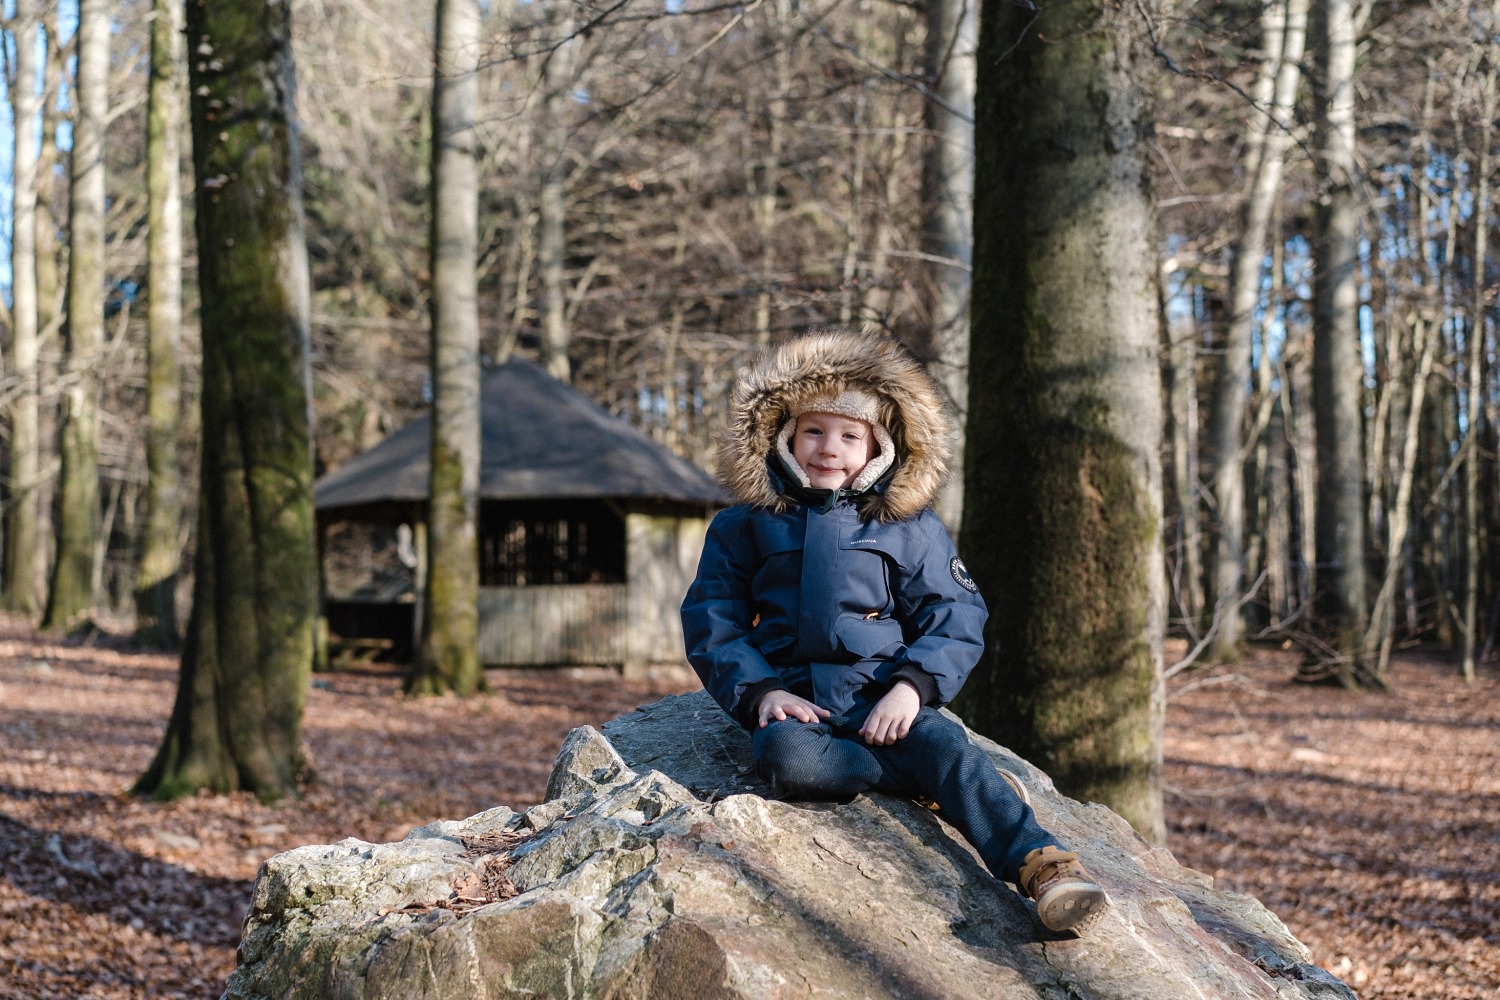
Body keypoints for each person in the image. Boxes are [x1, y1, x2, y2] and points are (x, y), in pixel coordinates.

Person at [680, 327, 1109, 935]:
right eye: (813, 431)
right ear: (781, 437)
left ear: (879, 447)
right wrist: (759, 693)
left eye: (850, 435)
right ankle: (924, 779)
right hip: (799, 703)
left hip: (884, 697)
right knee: (788, 761)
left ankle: (1044, 868)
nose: (829, 448)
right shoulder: (746, 524)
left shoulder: (909, 526)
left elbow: (955, 614)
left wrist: (912, 687)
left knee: (948, 749)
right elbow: (712, 617)